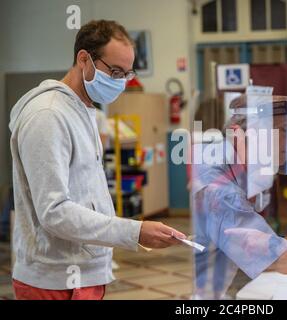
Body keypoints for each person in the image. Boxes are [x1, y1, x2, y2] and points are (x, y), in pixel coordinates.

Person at [8, 20, 186, 300]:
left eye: (126, 74)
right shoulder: (48, 115)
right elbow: (54, 211)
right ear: (84, 59)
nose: (120, 82)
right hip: (55, 281)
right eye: (114, 71)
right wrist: (134, 231)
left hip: (82, 272)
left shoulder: (83, 109)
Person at [191, 95, 287, 299]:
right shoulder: (216, 183)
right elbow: (268, 251)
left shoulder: (250, 165)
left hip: (235, 278)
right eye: (282, 130)